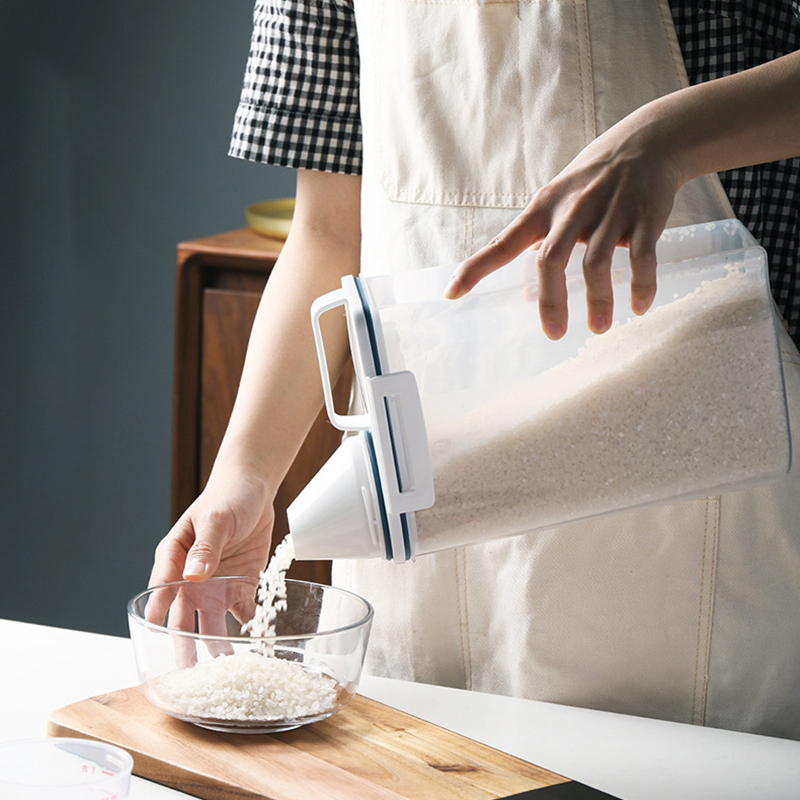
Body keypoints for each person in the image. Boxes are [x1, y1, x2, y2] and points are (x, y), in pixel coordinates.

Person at [150, 0, 800, 738]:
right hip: (416, 503)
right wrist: (244, 476)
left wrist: (671, 138)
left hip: (689, 509)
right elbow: (330, 229)